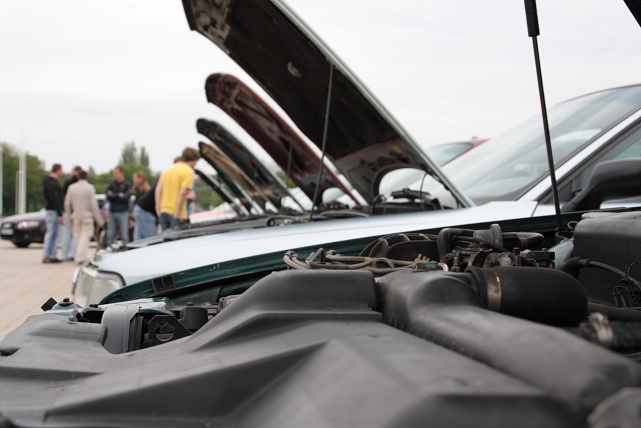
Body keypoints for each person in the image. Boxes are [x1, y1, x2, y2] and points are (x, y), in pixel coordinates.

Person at [64, 170, 104, 263]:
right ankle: (80, 257)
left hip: (76, 216)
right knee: (85, 237)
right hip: (86, 217)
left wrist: (69, 216)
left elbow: (67, 203)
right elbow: (93, 205)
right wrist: (99, 220)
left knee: (79, 238)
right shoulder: (89, 188)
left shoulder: (71, 187)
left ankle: (84, 255)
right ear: (87, 177)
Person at [155, 148, 200, 231]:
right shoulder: (188, 172)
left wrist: (158, 208)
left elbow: (158, 189)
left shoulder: (168, 171)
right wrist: (177, 213)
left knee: (166, 237)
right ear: (195, 160)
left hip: (164, 211)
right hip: (178, 213)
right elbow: (183, 193)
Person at [41, 163, 64, 263]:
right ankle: (49, 255)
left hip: (51, 210)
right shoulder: (52, 184)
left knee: (52, 234)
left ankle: (49, 254)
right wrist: (60, 213)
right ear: (58, 170)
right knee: (53, 234)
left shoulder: (48, 182)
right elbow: (55, 199)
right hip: (53, 211)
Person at [105, 165, 132, 246]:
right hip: (112, 211)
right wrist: (118, 195)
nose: (115, 175)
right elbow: (108, 196)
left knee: (124, 235)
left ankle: (126, 247)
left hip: (123, 212)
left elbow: (126, 197)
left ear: (121, 173)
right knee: (111, 234)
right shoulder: (112, 185)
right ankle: (110, 247)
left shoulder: (127, 185)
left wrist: (114, 195)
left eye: (116, 173)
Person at [60, 165, 81, 261]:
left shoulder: (67, 183)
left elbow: (64, 199)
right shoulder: (77, 185)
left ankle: (65, 254)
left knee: (66, 233)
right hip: (75, 211)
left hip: (67, 211)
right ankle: (73, 253)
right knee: (75, 234)